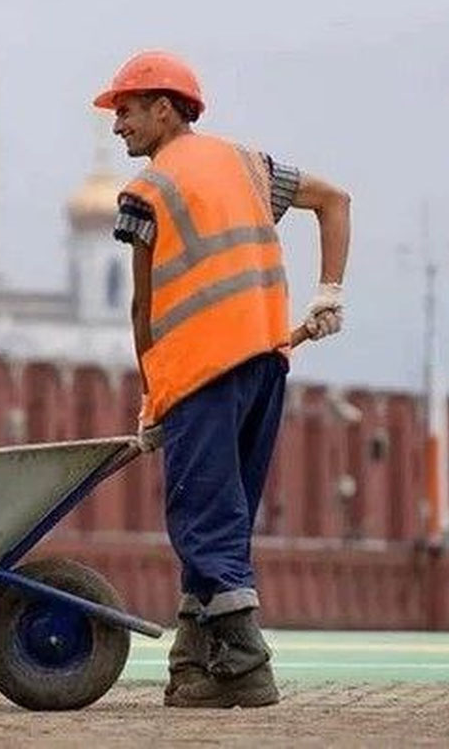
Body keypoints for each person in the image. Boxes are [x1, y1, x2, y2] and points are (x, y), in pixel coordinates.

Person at [95, 50, 351, 708]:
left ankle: (245, 663)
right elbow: (335, 200)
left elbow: (143, 307)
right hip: (265, 362)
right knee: (223, 518)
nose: (117, 124)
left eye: (126, 110)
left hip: (201, 373)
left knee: (203, 518)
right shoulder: (249, 164)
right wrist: (329, 292)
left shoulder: (145, 193)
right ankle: (194, 662)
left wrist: (153, 398)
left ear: (165, 108)